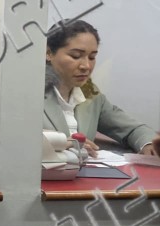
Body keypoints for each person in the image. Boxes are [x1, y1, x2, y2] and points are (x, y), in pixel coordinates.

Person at [44, 20, 157, 157]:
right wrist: (62, 142)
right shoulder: (28, 91)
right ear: (48, 53)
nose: (86, 65)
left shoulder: (90, 93)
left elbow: (131, 129)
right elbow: (20, 137)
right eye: (76, 56)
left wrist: (148, 144)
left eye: (92, 57)